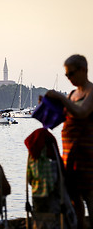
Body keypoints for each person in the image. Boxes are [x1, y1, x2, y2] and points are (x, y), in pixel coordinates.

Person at [46, 54, 93, 229]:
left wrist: (60, 97)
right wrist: (48, 104)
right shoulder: (72, 94)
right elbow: (60, 117)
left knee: (89, 195)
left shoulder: (91, 92)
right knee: (74, 197)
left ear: (83, 70)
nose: (69, 78)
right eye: (66, 75)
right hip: (70, 154)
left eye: (71, 74)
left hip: (87, 154)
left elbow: (82, 113)